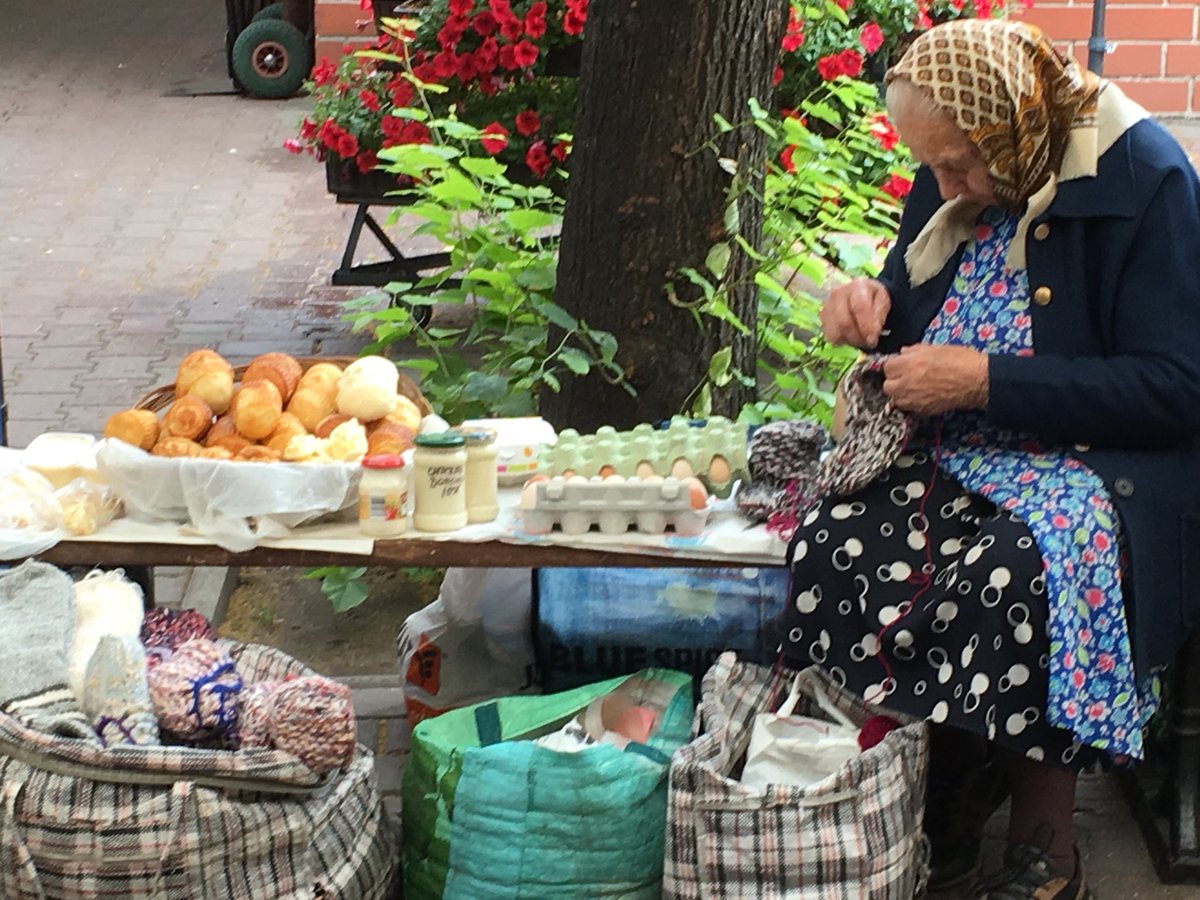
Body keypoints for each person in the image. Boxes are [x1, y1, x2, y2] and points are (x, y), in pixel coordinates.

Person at [782, 17, 1200, 899]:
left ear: (1012, 125)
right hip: (953, 450)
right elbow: (912, 293)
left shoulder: (1147, 179)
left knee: (1015, 570)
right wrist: (866, 303)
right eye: (932, 167)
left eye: (961, 165)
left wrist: (986, 383)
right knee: (833, 537)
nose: (945, 186)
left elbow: (1173, 389)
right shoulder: (957, 171)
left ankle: (1049, 849)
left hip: (1092, 467)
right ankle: (939, 799)